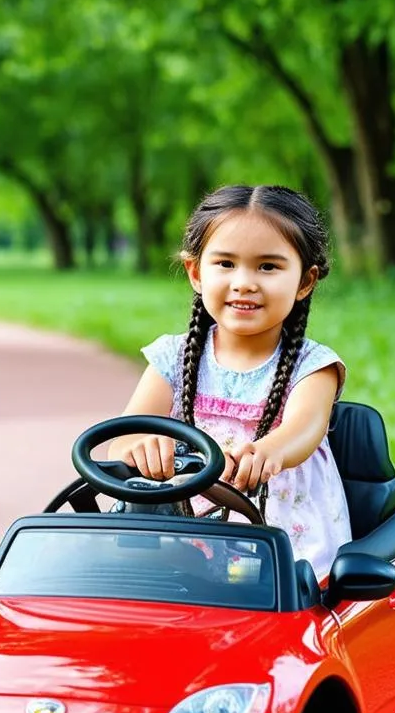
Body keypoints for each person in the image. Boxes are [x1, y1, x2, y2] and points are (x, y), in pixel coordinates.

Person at [107, 184, 352, 581]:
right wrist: (144, 446)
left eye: (268, 267)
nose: (244, 283)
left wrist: (269, 451)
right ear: (195, 272)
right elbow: (125, 436)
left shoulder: (313, 366)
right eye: (225, 264)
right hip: (183, 535)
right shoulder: (172, 358)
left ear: (305, 281)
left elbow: (304, 428)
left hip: (279, 536)